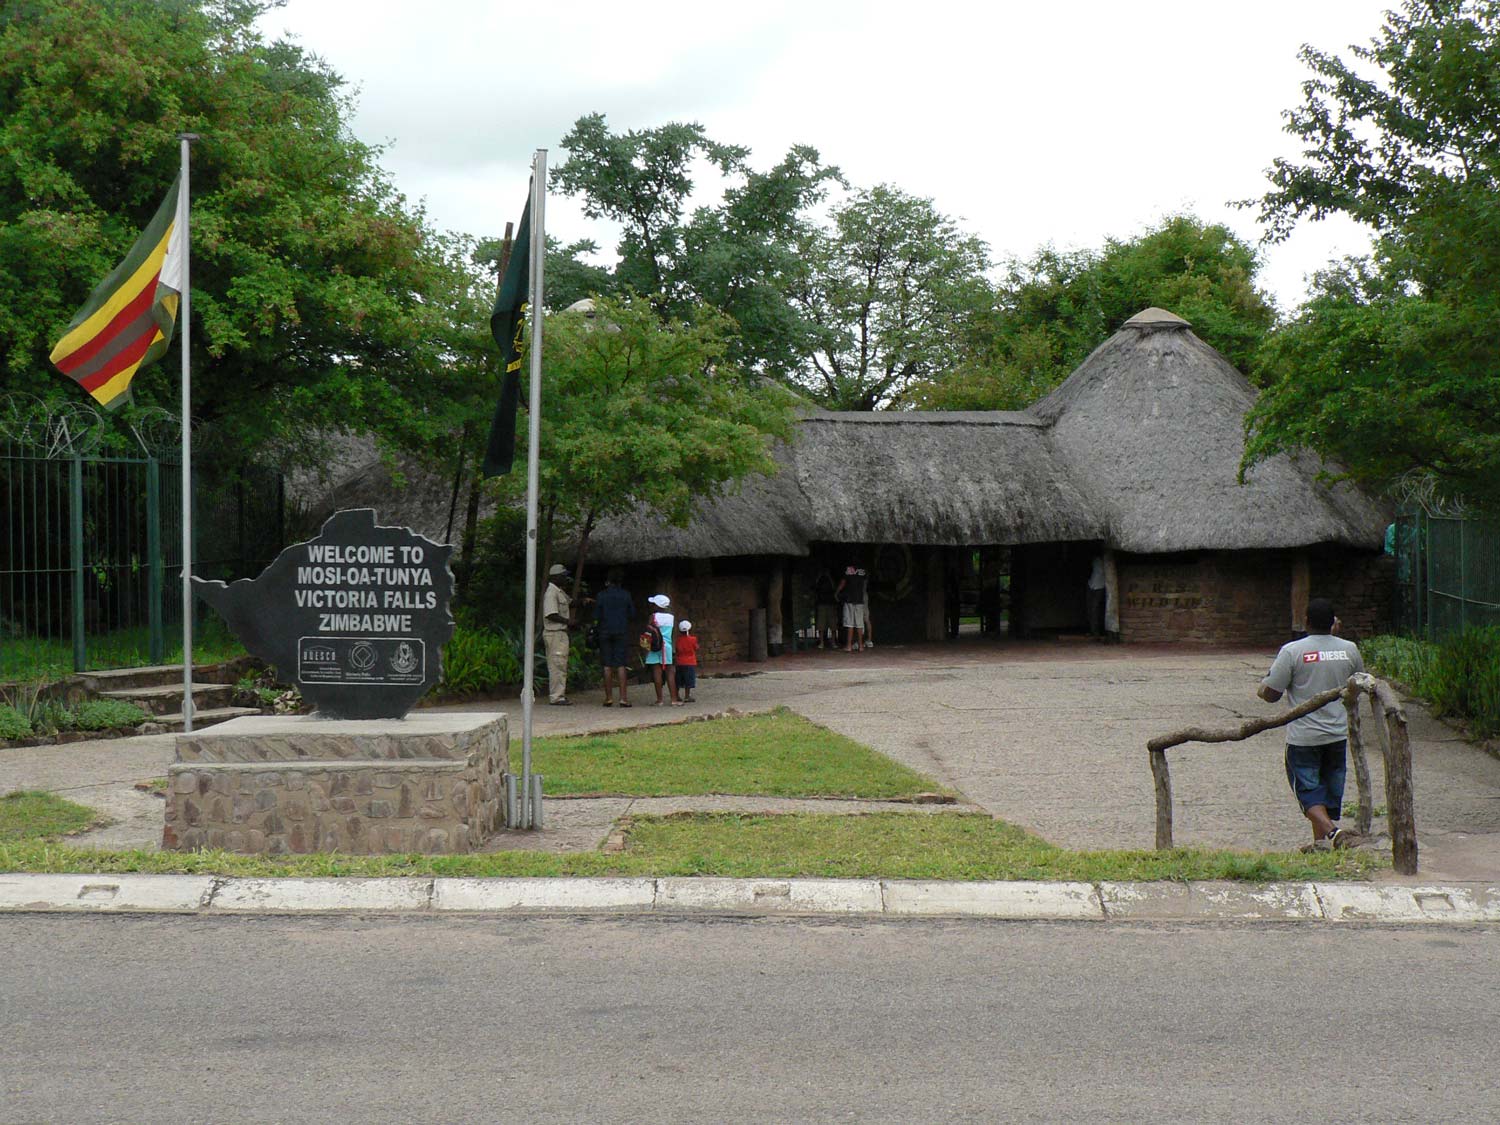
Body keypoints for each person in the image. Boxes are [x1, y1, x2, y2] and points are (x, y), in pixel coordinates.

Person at [1258, 597, 1365, 850]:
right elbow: (1357, 685)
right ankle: (1320, 845)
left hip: (1304, 736)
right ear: (1334, 623)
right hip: (1337, 733)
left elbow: (1271, 694)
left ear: (1305, 621)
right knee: (1326, 791)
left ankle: (1333, 834)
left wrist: (1262, 688)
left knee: (1307, 791)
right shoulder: (1349, 649)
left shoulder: (1292, 651)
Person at [594, 569, 635, 707]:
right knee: (621, 664)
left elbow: (597, 615)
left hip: (605, 631)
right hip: (621, 631)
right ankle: (623, 698)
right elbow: (632, 613)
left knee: (607, 665)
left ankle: (609, 697)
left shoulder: (601, 595)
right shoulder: (626, 595)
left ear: (608, 581)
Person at [542, 563, 574, 705]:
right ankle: (556, 696)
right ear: (556, 577)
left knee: (560, 664)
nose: (566, 579)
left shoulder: (558, 591)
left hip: (559, 633)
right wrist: (568, 622)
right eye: (563, 576)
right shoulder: (551, 593)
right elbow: (551, 614)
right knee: (557, 664)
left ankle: (559, 694)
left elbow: (570, 603)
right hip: (554, 633)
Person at [644, 593, 679, 706]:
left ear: (657, 606)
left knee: (657, 672)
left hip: (655, 646)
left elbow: (647, 629)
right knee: (670, 672)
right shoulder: (671, 617)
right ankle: (674, 699)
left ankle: (660, 700)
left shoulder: (653, 616)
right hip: (667, 646)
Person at [835, 564, 867, 653]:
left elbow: (843, 583)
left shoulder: (848, 569)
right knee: (860, 624)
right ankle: (860, 646)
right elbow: (864, 584)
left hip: (849, 599)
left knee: (850, 623)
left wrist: (837, 592)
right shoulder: (862, 570)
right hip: (859, 600)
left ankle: (849, 646)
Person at [813, 566, 839, 650]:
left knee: (833, 625)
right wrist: (819, 575)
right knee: (821, 625)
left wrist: (829, 576)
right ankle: (821, 642)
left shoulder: (831, 578)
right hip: (821, 603)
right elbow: (815, 586)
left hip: (831, 603)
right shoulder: (819, 578)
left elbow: (834, 587)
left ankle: (833, 642)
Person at [675, 620, 700, 703]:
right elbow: (696, 648)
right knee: (688, 680)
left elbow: (677, 649)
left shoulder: (678, 640)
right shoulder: (693, 639)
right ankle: (687, 696)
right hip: (690, 662)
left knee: (678, 680)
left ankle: (676, 695)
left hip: (679, 662)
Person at [1087, 554, 1107, 639]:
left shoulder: (1106, 561)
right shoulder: (1095, 559)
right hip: (1091, 585)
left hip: (1100, 587)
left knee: (1095, 609)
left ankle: (1096, 632)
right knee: (1090, 609)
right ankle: (1093, 631)